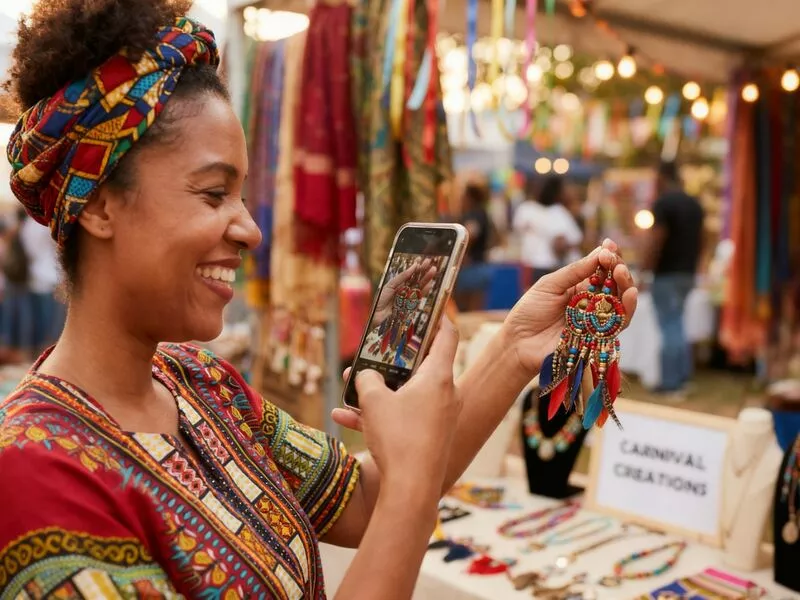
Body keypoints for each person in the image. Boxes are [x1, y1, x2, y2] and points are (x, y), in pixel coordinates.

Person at [0, 2, 637, 598]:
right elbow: (400, 492)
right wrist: (414, 486)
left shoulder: (201, 385)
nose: (249, 228)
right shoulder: (32, 478)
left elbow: (364, 499)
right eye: (212, 194)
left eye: (243, 196)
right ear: (103, 205)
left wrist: (512, 350)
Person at [641, 161, 704, 397]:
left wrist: (645, 271)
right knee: (678, 324)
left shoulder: (663, 203)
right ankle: (682, 377)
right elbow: (702, 240)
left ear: (662, 178)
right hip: (687, 273)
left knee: (670, 326)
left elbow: (656, 240)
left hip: (667, 273)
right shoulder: (694, 204)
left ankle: (671, 383)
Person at [513, 175, 584, 288]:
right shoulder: (559, 212)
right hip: (549, 266)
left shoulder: (526, 209)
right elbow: (573, 239)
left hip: (534, 264)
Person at [455, 183, 492, 311]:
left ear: (470, 197)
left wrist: (462, 254)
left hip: (472, 268)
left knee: (468, 310)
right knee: (475, 308)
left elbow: (470, 233)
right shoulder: (482, 213)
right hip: (480, 266)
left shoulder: (474, 214)